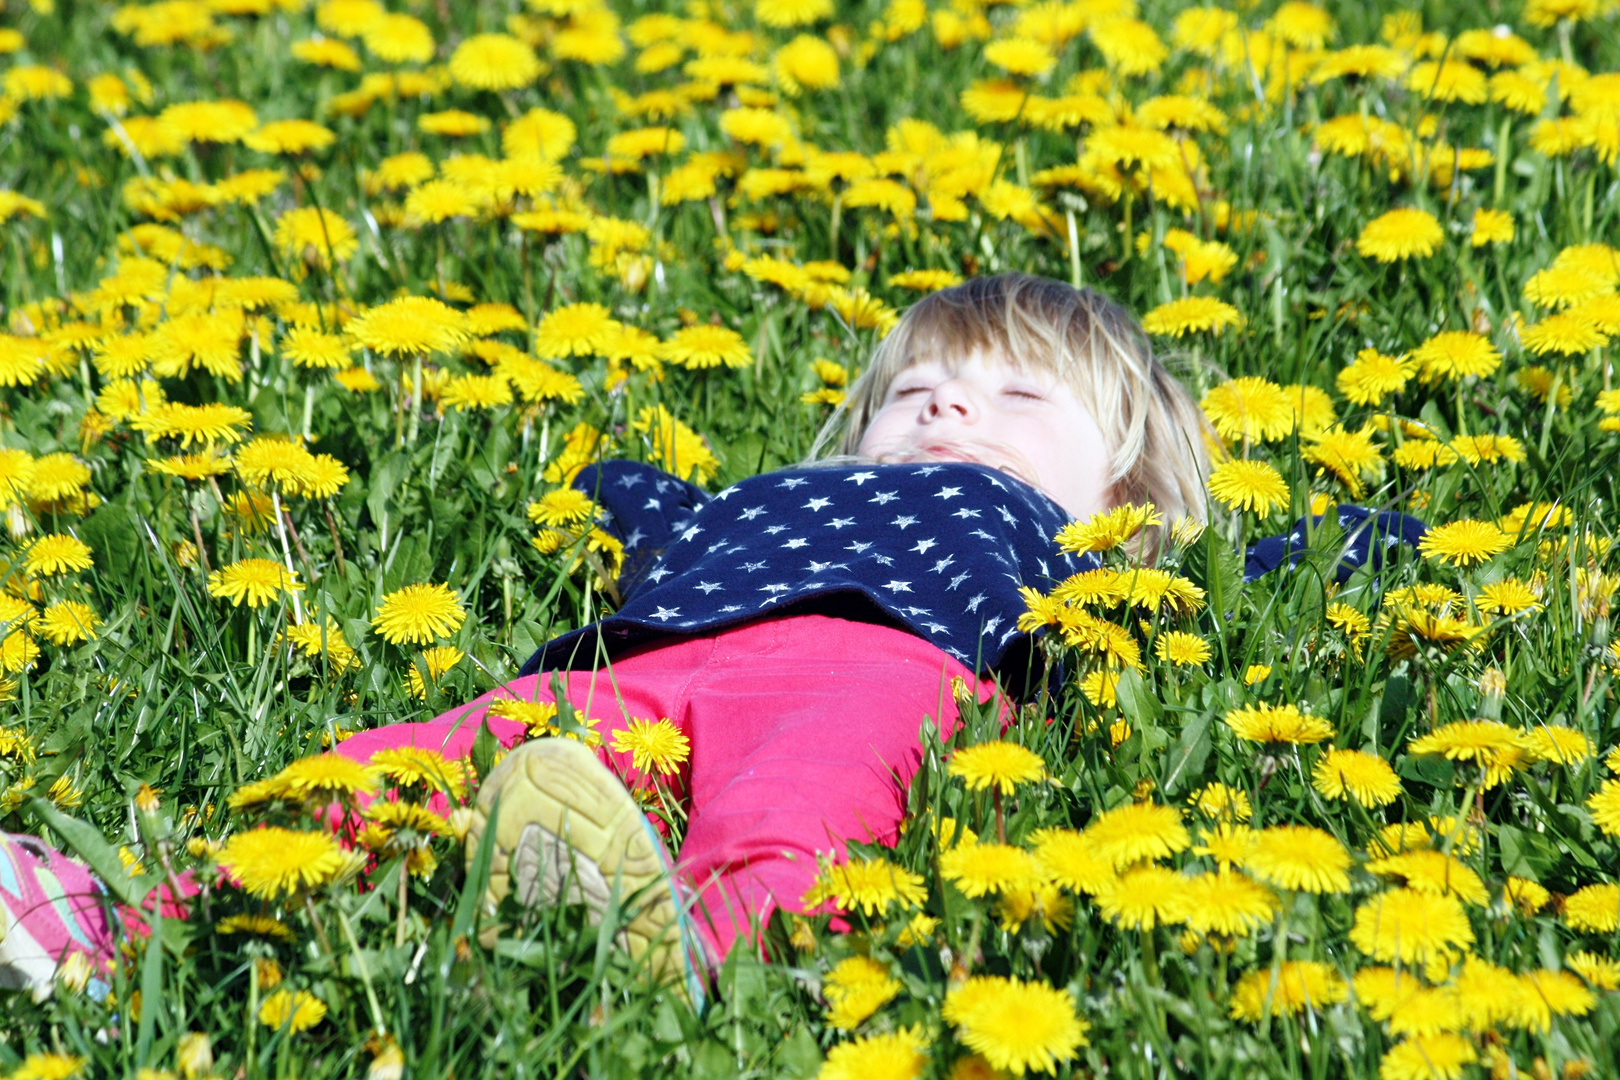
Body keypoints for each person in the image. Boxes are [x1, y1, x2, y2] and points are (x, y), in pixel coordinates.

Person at [1, 274, 1424, 1000]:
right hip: (638, 662)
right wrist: (617, 493)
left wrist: (1367, 544)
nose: (947, 412)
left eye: (1013, 405)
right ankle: (109, 921)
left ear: (1125, 496)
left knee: (801, 805)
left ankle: (708, 969)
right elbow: (649, 503)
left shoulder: (1095, 549)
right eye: (917, 389)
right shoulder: (787, 494)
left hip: (889, 668)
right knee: (393, 763)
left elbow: (1253, 581)